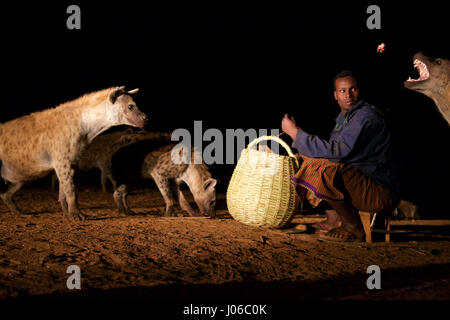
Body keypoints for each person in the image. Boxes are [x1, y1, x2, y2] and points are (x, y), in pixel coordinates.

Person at [282, 70, 399, 242]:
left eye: (353, 89)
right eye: (343, 91)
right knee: (308, 160)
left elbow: (337, 153)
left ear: (359, 90)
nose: (348, 95)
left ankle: (353, 227)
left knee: (323, 169)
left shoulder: (365, 117)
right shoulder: (346, 118)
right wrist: (299, 136)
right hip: (364, 185)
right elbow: (332, 152)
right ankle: (334, 218)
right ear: (335, 95)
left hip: (379, 193)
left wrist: (294, 133)